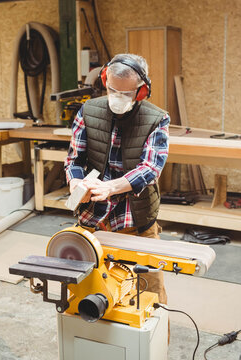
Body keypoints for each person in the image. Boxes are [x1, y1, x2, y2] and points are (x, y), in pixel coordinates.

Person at [64, 53, 170, 304]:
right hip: (93, 220)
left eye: (126, 93)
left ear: (141, 91)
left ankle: (153, 342)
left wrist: (110, 187)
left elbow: (151, 168)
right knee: (86, 297)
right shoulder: (88, 111)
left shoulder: (157, 118)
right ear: (105, 80)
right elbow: (74, 160)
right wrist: (76, 184)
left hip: (136, 221)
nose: (117, 98)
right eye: (113, 90)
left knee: (150, 299)